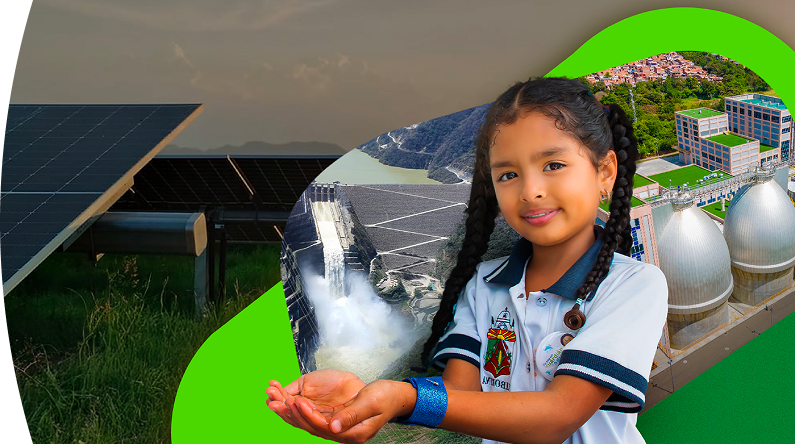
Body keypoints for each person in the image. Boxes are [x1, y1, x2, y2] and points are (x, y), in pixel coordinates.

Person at [266, 76, 669, 444]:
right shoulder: (484, 284)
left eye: (553, 165)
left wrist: (403, 398)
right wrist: (366, 394)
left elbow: (557, 415)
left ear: (605, 172)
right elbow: (460, 396)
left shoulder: (635, 286)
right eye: (508, 174)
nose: (530, 190)